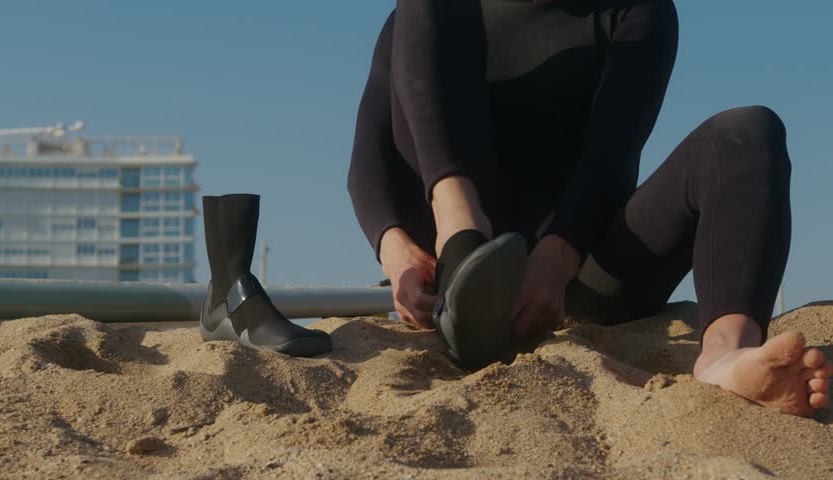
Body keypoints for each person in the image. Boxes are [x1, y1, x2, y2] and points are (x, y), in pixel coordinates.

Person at [347, 0, 831, 417]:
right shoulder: (424, 14)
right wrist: (396, 251)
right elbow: (370, 156)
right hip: (449, 270)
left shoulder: (638, 10)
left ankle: (727, 353)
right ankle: (463, 243)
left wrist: (555, 260)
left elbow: (612, 158)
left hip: (581, 271)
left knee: (747, 132)